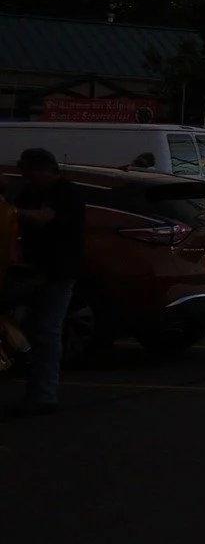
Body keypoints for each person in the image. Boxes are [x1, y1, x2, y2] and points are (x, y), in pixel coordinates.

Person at [6, 148, 86, 417]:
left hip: (57, 271)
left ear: (42, 169)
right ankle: (37, 389)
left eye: (28, 172)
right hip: (32, 270)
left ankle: (44, 395)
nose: (25, 177)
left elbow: (44, 217)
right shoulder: (31, 192)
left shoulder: (66, 192)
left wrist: (12, 211)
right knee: (29, 327)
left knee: (47, 332)